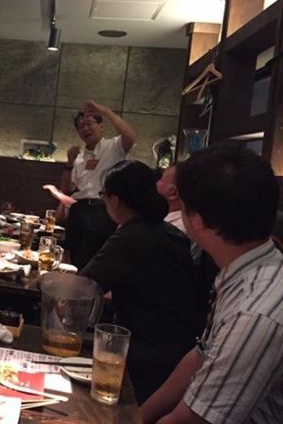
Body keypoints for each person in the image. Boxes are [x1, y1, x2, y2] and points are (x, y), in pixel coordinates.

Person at [141, 145, 283, 424]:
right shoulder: (250, 266)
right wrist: (136, 417)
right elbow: (200, 356)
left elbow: (194, 419)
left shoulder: (253, 314)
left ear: (197, 222)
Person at [79, 160, 204, 404]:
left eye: (104, 195)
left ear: (115, 200)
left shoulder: (134, 236)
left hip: (145, 358)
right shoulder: (163, 231)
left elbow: (82, 288)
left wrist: (46, 282)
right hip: (175, 350)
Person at [44, 100, 136, 269]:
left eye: (89, 123)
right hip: (79, 210)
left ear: (101, 127)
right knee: (73, 259)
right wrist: (69, 162)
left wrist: (106, 111)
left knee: (92, 261)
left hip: (103, 211)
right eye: (80, 126)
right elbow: (67, 190)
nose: (85, 128)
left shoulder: (113, 147)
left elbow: (130, 136)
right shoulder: (79, 158)